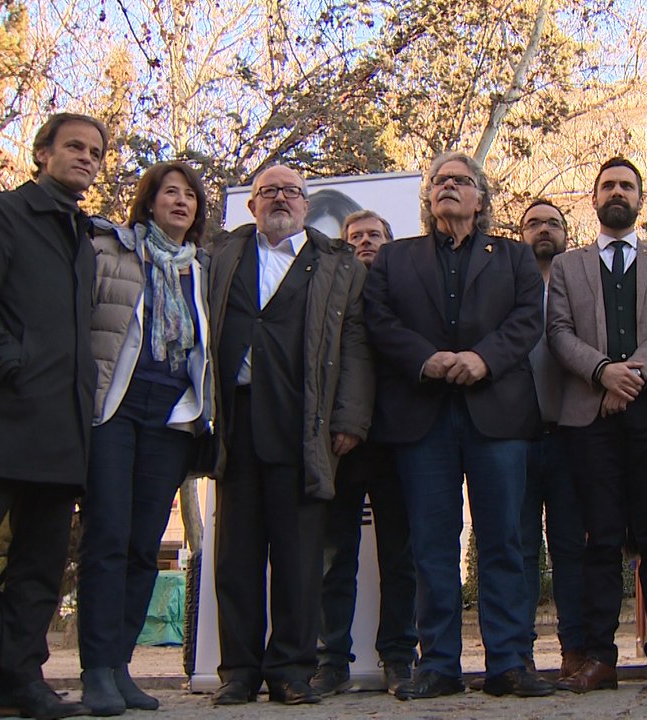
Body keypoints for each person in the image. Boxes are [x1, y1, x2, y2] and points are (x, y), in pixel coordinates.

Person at [363, 152, 553, 700]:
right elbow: (380, 320)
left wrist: (483, 359)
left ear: (480, 198)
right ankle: (440, 665)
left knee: (506, 542)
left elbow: (527, 319)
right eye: (439, 181)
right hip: (423, 418)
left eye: (461, 181)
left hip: (497, 414)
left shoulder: (515, 257)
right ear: (428, 197)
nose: (448, 187)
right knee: (432, 546)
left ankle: (510, 663)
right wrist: (427, 358)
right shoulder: (395, 259)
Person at [207, 164, 373, 706]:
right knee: (236, 555)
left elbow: (354, 345)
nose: (281, 199)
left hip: (304, 426)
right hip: (236, 421)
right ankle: (237, 671)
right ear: (252, 204)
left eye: (292, 192)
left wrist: (349, 418)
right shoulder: (223, 254)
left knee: (301, 558)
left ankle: (292, 672)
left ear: (306, 204)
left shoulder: (337, 263)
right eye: (269, 191)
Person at [0, 112, 106, 720]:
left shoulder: (84, 236)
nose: (87, 158)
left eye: (96, 153)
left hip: (60, 431)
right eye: (74, 146)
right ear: (42, 153)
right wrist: (6, 362)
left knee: (39, 567)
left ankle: (23, 681)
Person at [547, 157, 647, 694]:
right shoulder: (568, 266)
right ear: (594, 198)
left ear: (639, 199)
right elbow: (558, 332)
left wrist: (633, 375)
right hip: (590, 414)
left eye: (626, 185)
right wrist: (603, 373)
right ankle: (600, 657)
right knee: (601, 538)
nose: (617, 192)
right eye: (608, 185)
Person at [77, 162, 215, 715]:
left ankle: (119, 666)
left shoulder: (203, 269)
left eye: (190, 196)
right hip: (116, 406)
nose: (181, 202)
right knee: (107, 537)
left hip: (173, 415)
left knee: (141, 547)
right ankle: (94, 672)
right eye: (170, 193)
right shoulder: (114, 249)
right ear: (150, 201)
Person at [310, 209, 419, 697]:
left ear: (390, 243)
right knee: (336, 557)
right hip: (344, 442)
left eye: (375, 235)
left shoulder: (410, 291)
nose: (366, 242)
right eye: (356, 237)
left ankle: (398, 655)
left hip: (399, 443)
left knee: (400, 557)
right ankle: (331, 658)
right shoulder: (330, 291)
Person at [515, 199, 586, 679]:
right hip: (513, 436)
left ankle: (576, 649)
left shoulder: (581, 284)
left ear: (566, 233)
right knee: (516, 548)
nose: (544, 230)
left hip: (571, 435)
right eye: (533, 223)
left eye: (553, 223)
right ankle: (516, 651)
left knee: (571, 548)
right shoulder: (505, 285)